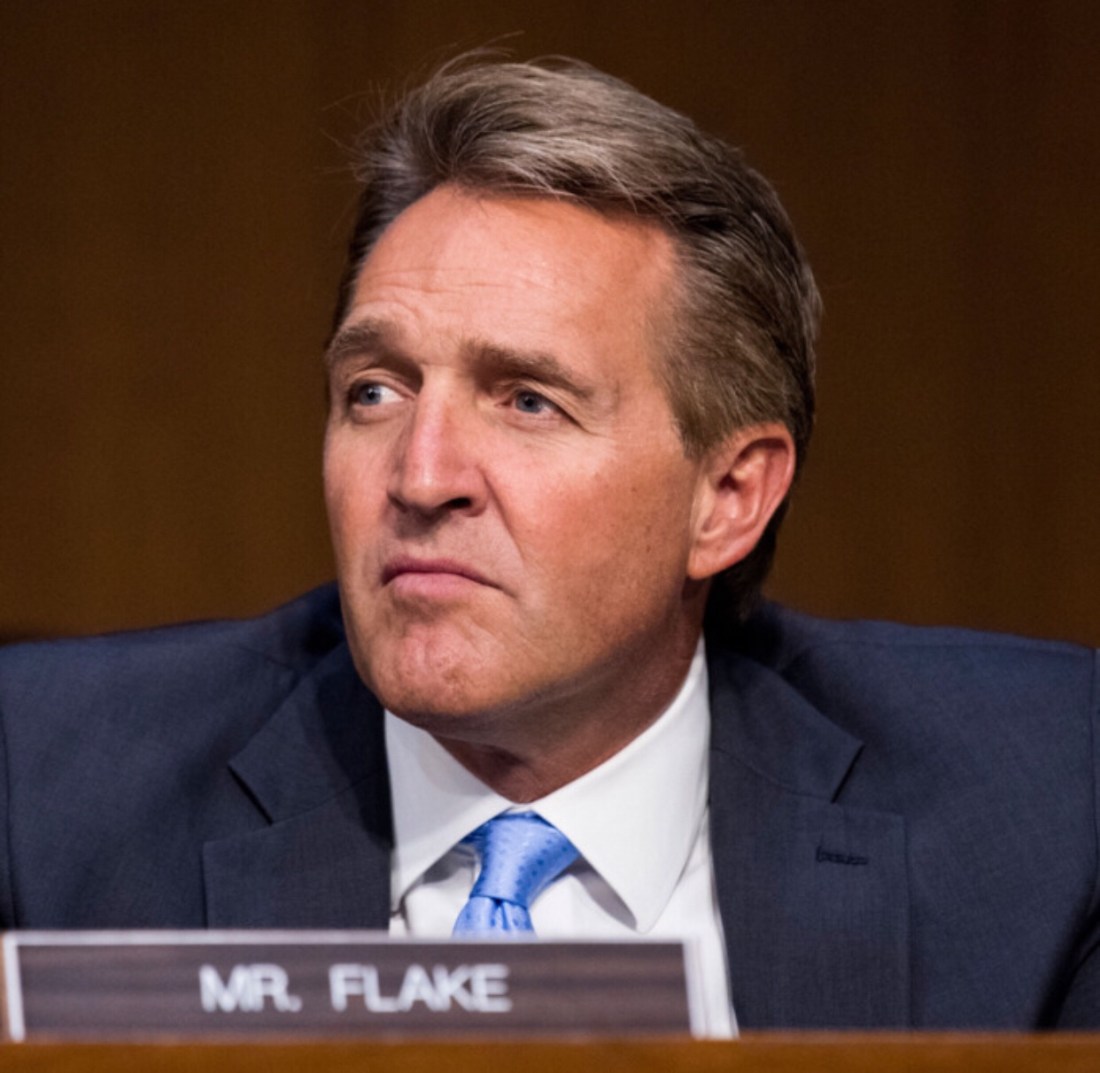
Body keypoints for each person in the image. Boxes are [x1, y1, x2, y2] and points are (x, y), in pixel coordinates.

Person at [0, 56, 1096, 1033]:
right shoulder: (45, 789)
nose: (420, 476)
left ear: (726, 496)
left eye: (528, 401)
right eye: (375, 390)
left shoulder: (1047, 800)